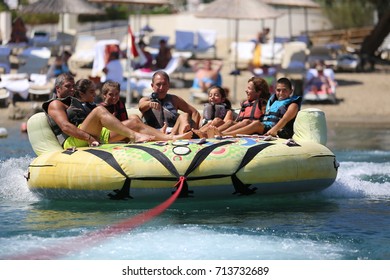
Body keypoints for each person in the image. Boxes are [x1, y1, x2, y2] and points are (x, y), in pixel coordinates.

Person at [43, 74, 191, 149]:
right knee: (99, 110)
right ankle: (135, 136)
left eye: (72, 86)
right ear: (58, 89)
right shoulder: (55, 104)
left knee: (134, 121)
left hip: (91, 132)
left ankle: (170, 137)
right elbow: (66, 127)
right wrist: (89, 138)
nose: (72, 89)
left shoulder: (74, 102)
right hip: (73, 140)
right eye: (68, 86)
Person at [209, 77, 301, 139]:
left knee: (256, 124)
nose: (281, 93)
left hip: (280, 131)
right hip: (267, 127)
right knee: (247, 122)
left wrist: (273, 130)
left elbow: (284, 119)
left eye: (284, 90)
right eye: (278, 90)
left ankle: (224, 135)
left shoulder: (293, 105)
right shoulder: (274, 102)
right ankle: (217, 133)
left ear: (291, 91)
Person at [138, 71, 201, 135]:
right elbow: (141, 107)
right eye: (158, 84)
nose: (161, 88)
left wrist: (194, 130)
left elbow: (194, 112)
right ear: (152, 86)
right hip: (153, 135)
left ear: (168, 86)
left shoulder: (175, 100)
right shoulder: (146, 100)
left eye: (164, 84)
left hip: (173, 134)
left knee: (184, 116)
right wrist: (149, 104)